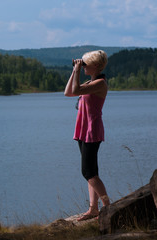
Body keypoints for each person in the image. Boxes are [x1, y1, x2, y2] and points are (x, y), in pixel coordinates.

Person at [64, 50, 110, 221]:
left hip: (92, 131)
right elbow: (68, 93)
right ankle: (93, 209)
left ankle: (108, 208)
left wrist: (76, 70)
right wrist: (74, 71)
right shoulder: (89, 83)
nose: (83, 66)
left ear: (96, 66)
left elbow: (75, 90)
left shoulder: (100, 83)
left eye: (85, 64)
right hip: (84, 130)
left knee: (88, 172)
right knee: (92, 172)